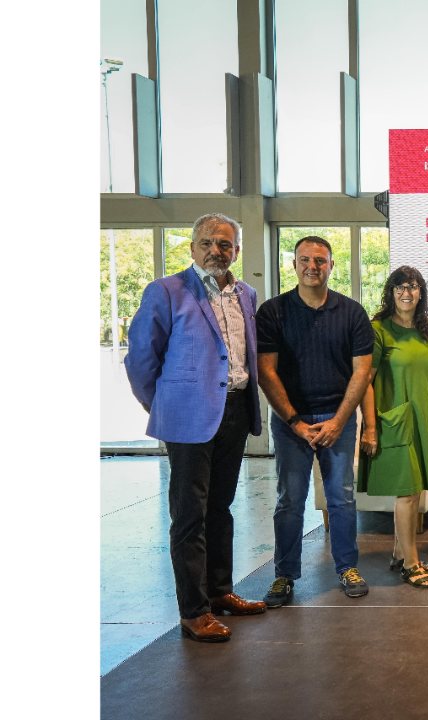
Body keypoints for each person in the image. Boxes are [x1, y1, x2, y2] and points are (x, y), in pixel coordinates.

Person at [125, 213, 266, 642]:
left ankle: (221, 591)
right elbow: (140, 361)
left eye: (224, 244)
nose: (215, 251)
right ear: (192, 248)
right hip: (188, 418)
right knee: (189, 515)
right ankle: (194, 610)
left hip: (236, 410)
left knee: (220, 508)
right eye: (206, 242)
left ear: (236, 251)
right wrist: (168, 408)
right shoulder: (166, 291)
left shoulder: (247, 293)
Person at [257, 236, 375, 606]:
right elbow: (266, 372)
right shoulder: (273, 312)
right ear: (293, 265)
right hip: (292, 423)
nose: (313, 266)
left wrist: (340, 421)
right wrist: (294, 422)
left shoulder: (352, 313)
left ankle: (346, 568)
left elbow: (362, 374)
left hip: (336, 420)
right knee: (290, 501)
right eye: (305, 259)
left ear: (331, 266)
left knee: (341, 499)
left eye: (320, 260)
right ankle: (284, 575)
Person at [358, 266, 428, 589]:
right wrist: (370, 427)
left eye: (412, 287)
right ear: (390, 292)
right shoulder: (379, 329)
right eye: (399, 287)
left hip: (425, 419)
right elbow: (364, 382)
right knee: (408, 493)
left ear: (421, 292)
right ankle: (411, 564)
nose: (406, 293)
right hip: (395, 422)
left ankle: (400, 553)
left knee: (418, 488)